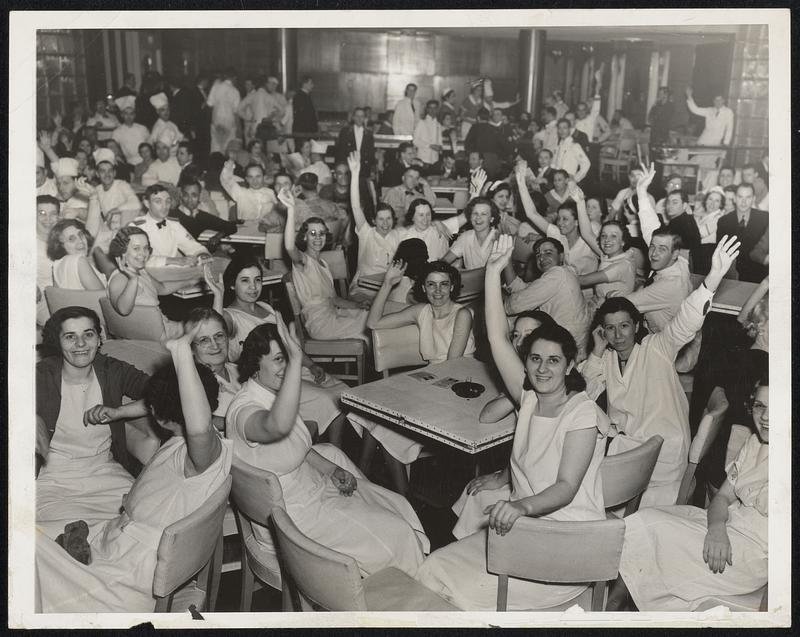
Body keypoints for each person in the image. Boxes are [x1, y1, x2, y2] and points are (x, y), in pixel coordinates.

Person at [416, 234, 610, 611]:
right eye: (535, 359)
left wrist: (520, 507)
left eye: (553, 360)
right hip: (522, 532)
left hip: (565, 548)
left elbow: (567, 487)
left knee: (445, 590)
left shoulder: (581, 411)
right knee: (431, 568)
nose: (541, 368)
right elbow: (497, 336)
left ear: (570, 366)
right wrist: (492, 272)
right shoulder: (529, 398)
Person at [35, 322, 232, 613]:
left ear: (161, 415)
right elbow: (182, 414)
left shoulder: (203, 454)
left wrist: (181, 355)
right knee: (32, 533)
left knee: (24, 548)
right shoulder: (188, 448)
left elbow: (199, 425)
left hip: (127, 578)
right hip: (117, 545)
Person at [226, 319, 429, 577]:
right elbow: (276, 427)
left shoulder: (270, 393)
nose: (287, 367)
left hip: (306, 491)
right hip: (292, 517)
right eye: (280, 359)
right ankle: (409, 595)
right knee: (396, 533)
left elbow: (291, 447)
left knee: (396, 505)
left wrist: (331, 469)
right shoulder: (245, 411)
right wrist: (298, 361)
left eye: (289, 358)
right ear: (255, 363)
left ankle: (406, 579)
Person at [580, 235, 741, 507]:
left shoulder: (657, 348)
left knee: (583, 492)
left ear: (637, 325)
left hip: (663, 460)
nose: (618, 335)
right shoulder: (606, 358)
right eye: (610, 328)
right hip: (627, 452)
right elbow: (583, 393)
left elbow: (685, 321)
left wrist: (712, 279)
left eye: (624, 326)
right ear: (601, 331)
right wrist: (595, 351)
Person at [607, 375, 768, 612]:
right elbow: (722, 497)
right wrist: (716, 528)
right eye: (760, 406)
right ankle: (619, 602)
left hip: (749, 554)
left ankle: (617, 605)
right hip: (727, 524)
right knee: (645, 519)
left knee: (655, 532)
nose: (764, 417)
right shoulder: (755, 443)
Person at [35, 306, 157, 535]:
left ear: (99, 339)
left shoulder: (112, 370)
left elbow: (165, 395)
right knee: (58, 537)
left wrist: (120, 411)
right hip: (53, 482)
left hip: (106, 474)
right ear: (57, 342)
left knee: (143, 525)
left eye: (88, 334)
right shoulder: (40, 375)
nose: (81, 344)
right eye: (70, 337)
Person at [361, 260, 476, 494]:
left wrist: (414, 390)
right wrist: (387, 284)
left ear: (453, 287)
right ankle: (362, 478)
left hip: (460, 389)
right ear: (423, 287)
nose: (438, 291)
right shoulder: (421, 311)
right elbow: (373, 323)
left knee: (384, 425)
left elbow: (452, 366)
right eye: (431, 285)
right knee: (373, 415)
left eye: (444, 285)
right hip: (434, 381)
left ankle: (397, 495)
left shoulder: (462, 314)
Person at [283, 189, 370, 341]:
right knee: (372, 324)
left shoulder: (323, 264)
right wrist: (291, 210)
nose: (318, 238)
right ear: (304, 237)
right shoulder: (302, 261)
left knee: (370, 314)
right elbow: (290, 247)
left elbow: (334, 299)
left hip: (333, 314)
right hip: (320, 325)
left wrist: (358, 305)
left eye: (321, 233)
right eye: (313, 233)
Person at [501, 235, 591, 361]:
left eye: (548, 252)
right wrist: (506, 260)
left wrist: (496, 303)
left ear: (561, 256)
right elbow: (522, 289)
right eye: (538, 255)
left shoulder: (557, 274)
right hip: (573, 346)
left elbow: (513, 306)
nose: (542, 258)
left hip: (566, 350)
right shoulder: (563, 272)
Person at [513, 161, 598, 276]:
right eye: (559, 218)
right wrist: (521, 183)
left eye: (565, 219)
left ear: (577, 222)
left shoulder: (588, 240)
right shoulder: (557, 234)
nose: (560, 223)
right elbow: (532, 214)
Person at [105, 227, 192, 339]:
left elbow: (162, 288)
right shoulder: (119, 279)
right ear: (122, 251)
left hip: (164, 329)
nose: (143, 253)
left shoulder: (140, 270)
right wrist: (133, 280)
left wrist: (190, 281)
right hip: (160, 338)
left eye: (146, 248)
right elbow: (123, 309)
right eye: (136, 248)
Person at [346, 152, 403, 297]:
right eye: (381, 219)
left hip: (388, 289)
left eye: (388, 219)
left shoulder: (398, 235)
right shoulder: (366, 233)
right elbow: (355, 207)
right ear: (373, 221)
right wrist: (354, 174)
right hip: (363, 290)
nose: (385, 223)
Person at [128, 184, 210, 267]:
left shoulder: (174, 225)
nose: (165, 206)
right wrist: (172, 260)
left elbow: (193, 247)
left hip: (171, 274)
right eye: (158, 201)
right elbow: (136, 258)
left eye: (167, 201)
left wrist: (202, 255)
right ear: (147, 203)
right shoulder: (136, 227)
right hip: (146, 275)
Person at [715, 182, 768, 283]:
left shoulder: (765, 218)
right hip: (731, 277)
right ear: (734, 198)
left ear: (753, 198)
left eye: (748, 197)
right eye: (740, 197)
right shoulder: (723, 221)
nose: (743, 202)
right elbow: (721, 253)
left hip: (759, 278)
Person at [169, 179, 237, 247]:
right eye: (186, 195)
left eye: (194, 195)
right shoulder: (171, 214)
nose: (190, 199)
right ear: (181, 195)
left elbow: (231, 227)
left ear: (199, 196)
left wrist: (217, 237)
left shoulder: (202, 217)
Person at [46, 219, 105, 291]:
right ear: (60, 246)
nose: (80, 241)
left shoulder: (57, 266)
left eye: (81, 235)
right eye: (71, 239)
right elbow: (103, 298)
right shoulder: (80, 261)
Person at [443, 197, 500, 269]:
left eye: (483, 214)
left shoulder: (498, 239)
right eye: (475, 213)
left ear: (492, 219)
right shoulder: (466, 237)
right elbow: (444, 261)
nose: (478, 218)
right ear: (470, 217)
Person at [92, 148, 142, 226]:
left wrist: (113, 211)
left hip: (130, 225)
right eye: (102, 171)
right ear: (97, 174)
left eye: (110, 170)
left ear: (114, 173)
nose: (107, 174)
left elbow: (136, 203)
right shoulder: (97, 190)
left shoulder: (121, 185)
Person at [207, 67, 241, 154]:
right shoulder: (235, 91)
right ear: (234, 78)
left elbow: (209, 104)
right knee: (228, 149)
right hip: (229, 123)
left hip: (216, 122)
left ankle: (214, 166)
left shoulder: (216, 87)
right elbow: (236, 112)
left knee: (215, 148)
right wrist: (238, 129)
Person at [334, 106, 376, 175]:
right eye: (357, 116)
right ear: (353, 117)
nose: (359, 119)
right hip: (348, 167)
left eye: (362, 116)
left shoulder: (368, 134)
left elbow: (371, 153)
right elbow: (340, 152)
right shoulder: (345, 132)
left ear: (365, 118)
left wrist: (372, 170)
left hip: (364, 168)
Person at [111, 96, 150, 166]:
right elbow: (115, 150)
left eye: (131, 114)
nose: (129, 117)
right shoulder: (117, 132)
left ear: (134, 115)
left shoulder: (143, 128)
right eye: (126, 114)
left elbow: (149, 145)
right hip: (130, 163)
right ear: (122, 115)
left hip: (147, 162)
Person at [553, 118, 591, 183]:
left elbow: (586, 163)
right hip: (557, 181)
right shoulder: (558, 146)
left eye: (564, 128)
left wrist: (576, 178)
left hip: (567, 182)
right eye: (559, 128)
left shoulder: (574, 146)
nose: (562, 131)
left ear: (569, 129)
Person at [413, 100, 444, 168]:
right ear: (427, 109)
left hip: (435, 159)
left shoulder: (438, 125)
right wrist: (429, 146)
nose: (432, 110)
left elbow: (440, 141)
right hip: (423, 159)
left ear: (437, 110)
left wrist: (440, 147)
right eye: (430, 108)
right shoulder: (421, 123)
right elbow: (415, 141)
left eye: (435, 108)